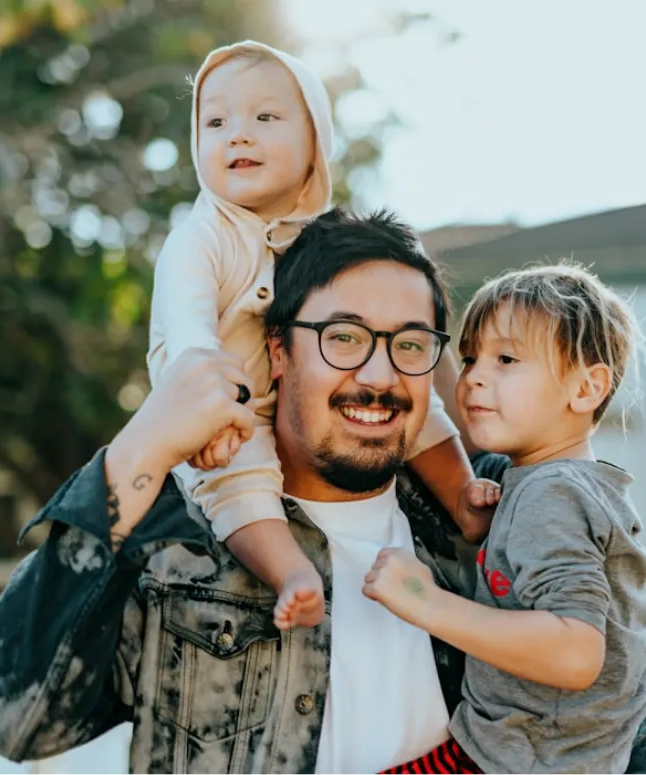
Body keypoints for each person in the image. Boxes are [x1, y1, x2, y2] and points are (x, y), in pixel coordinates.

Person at [0, 209, 646, 773]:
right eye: (344, 337)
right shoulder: (176, 534)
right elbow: (14, 716)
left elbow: (631, 700)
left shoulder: (481, 511)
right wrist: (142, 445)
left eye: (410, 344)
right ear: (278, 351)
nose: (378, 375)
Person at [146, 40, 493, 632]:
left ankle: (463, 496)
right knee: (239, 483)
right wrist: (207, 415)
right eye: (217, 121)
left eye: (265, 117)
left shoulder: (325, 244)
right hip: (219, 409)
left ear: (316, 146)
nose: (239, 135)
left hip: (287, 400)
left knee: (416, 399)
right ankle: (291, 572)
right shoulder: (202, 237)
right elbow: (189, 334)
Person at [365, 263, 646, 773]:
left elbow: (575, 652)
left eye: (506, 358)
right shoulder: (562, 484)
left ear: (586, 388)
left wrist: (423, 601)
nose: (475, 375)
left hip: (519, 758)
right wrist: (493, 527)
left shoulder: (551, 494)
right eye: (469, 357)